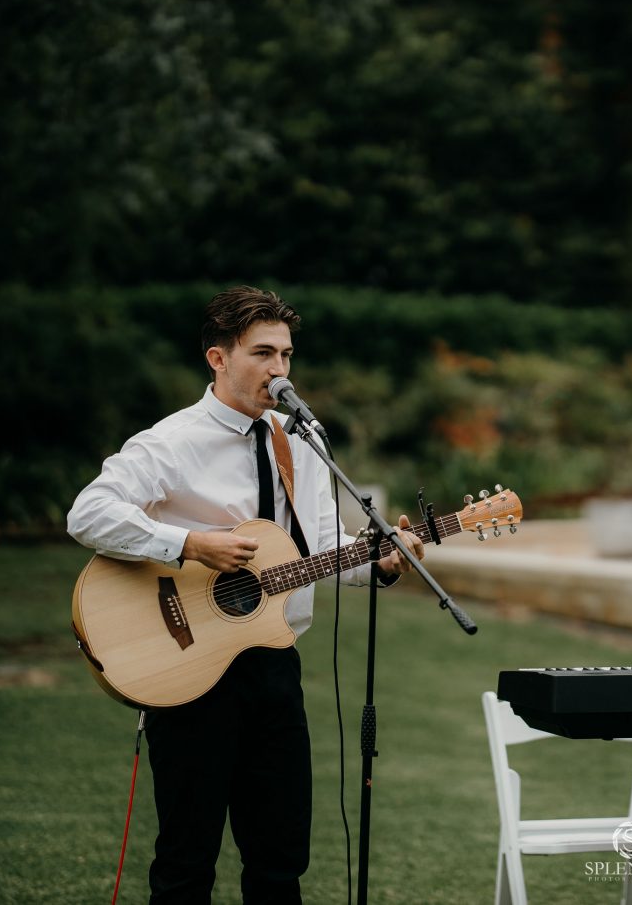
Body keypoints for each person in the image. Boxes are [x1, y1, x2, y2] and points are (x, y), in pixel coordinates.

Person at [67, 286, 422, 904]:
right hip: (187, 672)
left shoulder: (300, 441)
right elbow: (88, 513)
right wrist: (189, 544)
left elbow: (319, 550)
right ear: (218, 358)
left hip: (274, 668)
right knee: (186, 863)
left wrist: (383, 563)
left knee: (280, 861)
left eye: (286, 355)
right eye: (262, 353)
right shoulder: (172, 441)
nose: (279, 370)